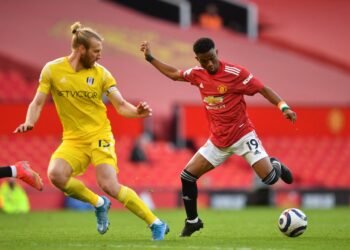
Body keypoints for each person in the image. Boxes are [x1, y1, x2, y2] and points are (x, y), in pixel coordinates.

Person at [14, 22, 169, 240]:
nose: (99, 56)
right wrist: (30, 121)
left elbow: (121, 105)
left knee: (109, 185)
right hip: (73, 139)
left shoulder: (102, 74)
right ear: (81, 50)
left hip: (99, 136)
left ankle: (156, 223)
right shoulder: (52, 70)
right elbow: (38, 102)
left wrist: (137, 112)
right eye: (96, 51)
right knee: (55, 175)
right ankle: (98, 203)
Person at [140, 38, 297, 237]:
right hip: (218, 141)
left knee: (270, 179)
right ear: (197, 59)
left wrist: (283, 107)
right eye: (204, 61)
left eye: (212, 58)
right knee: (187, 176)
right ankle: (192, 221)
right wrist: (150, 58)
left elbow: (263, 89)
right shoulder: (197, 74)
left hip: (243, 135)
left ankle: (275, 164)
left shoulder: (236, 73)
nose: (210, 64)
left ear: (217, 52)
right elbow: (174, 74)